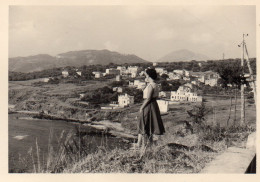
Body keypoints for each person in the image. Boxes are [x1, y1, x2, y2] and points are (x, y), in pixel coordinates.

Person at [132, 68, 165, 149]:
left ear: (149, 76)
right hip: (153, 105)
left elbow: (148, 98)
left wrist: (141, 107)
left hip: (149, 105)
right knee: (148, 124)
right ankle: (143, 144)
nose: (145, 77)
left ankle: (141, 144)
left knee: (144, 123)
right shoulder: (156, 85)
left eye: (146, 75)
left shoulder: (151, 85)